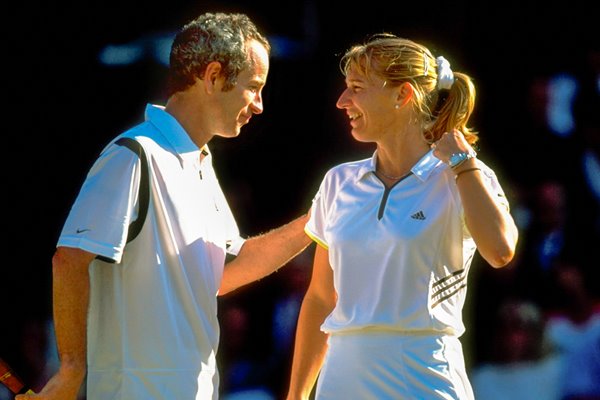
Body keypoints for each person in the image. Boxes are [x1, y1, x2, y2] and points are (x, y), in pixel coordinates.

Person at [17, 12, 312, 400]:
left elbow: (225, 272)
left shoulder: (198, 163)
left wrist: (317, 221)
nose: (259, 105)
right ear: (213, 77)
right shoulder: (133, 155)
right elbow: (70, 259)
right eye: (254, 87)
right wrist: (72, 369)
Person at [286, 33, 519, 400]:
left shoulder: (466, 174)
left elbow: (501, 251)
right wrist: (296, 395)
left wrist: (463, 163)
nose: (342, 101)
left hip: (424, 377)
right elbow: (320, 297)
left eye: (357, 88)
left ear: (402, 95)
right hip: (340, 379)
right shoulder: (337, 181)